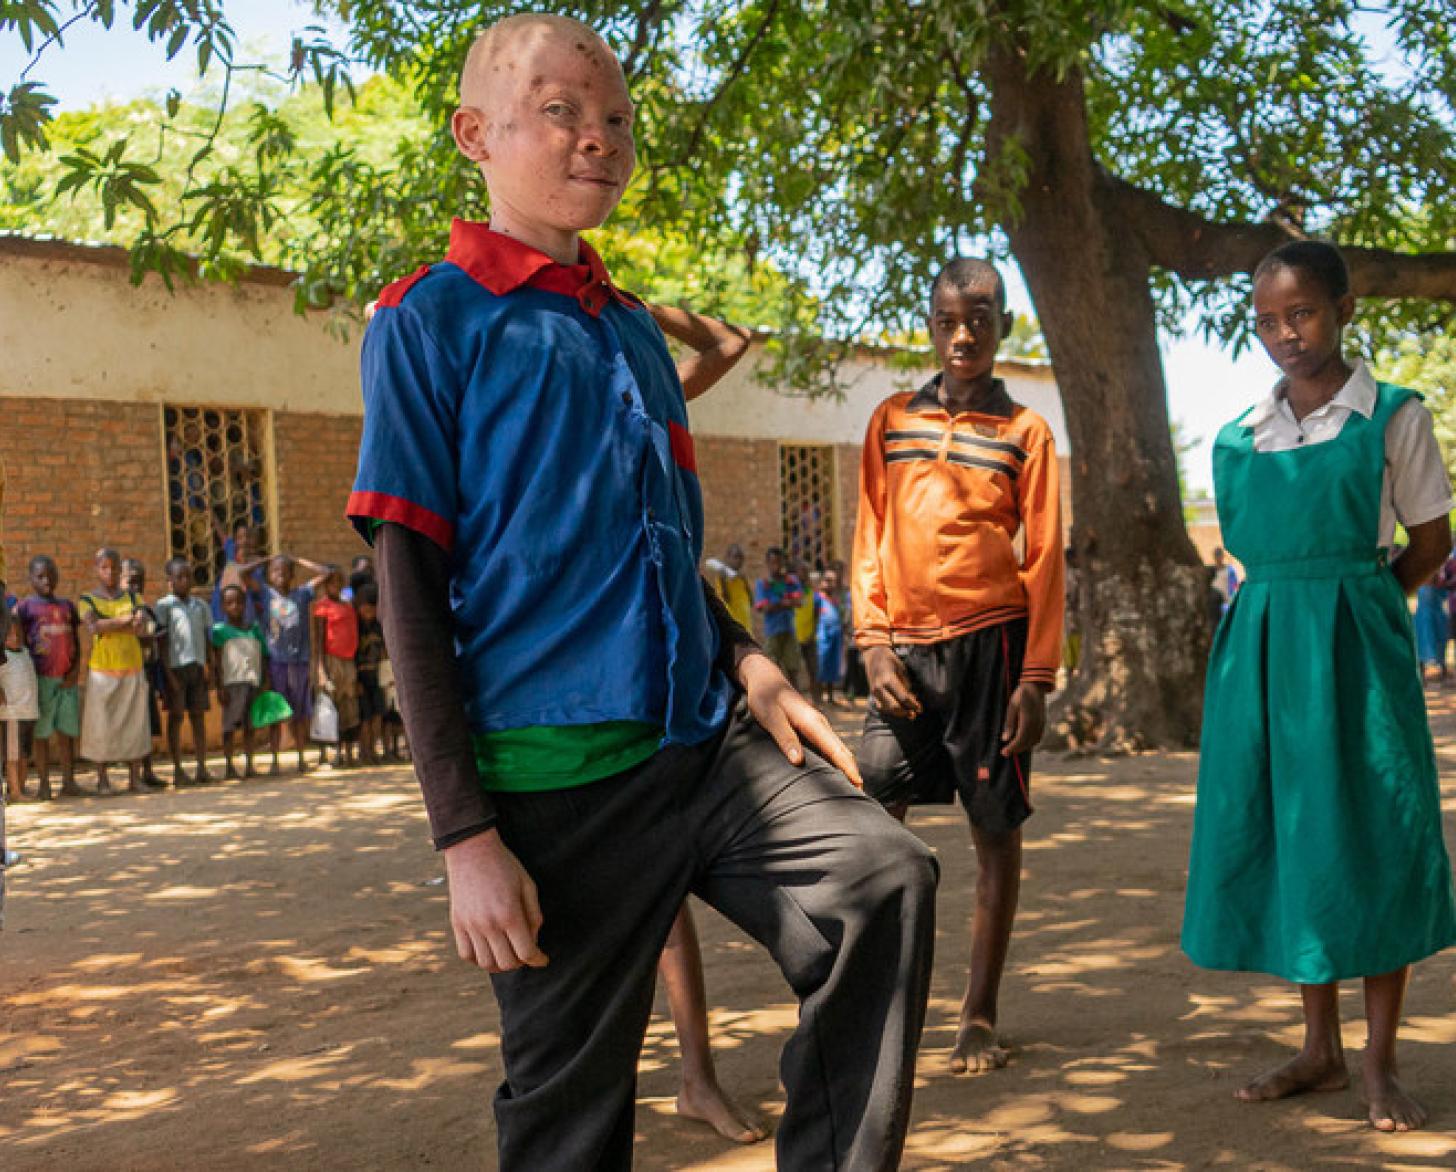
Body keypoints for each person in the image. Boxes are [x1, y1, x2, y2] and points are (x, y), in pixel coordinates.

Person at [346, 15, 937, 1169]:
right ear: (476, 131)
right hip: (552, 782)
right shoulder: (428, 319)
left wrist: (748, 662)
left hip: (701, 748)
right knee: (568, 1110)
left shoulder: (626, 328)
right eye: (559, 111)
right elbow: (406, 581)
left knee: (880, 874)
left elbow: (655, 547)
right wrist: (464, 834)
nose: (595, 139)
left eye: (615, 118)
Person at [1183, 240, 1456, 1134]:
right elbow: (1253, 557)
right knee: (1297, 833)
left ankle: (1376, 1061)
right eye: (1265, 321)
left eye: (1300, 313)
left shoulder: (1393, 417)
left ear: (1342, 308)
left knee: (1372, 832)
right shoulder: (1238, 438)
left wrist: (1362, 599)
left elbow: (1428, 543)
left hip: (1358, 652)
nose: (1284, 335)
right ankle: (1318, 1048)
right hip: (1263, 659)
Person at [853, 256, 1064, 1076]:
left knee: (993, 831)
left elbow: (1044, 558)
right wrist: (871, 642)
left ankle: (978, 1011)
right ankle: (876, 1002)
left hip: (993, 646)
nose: (964, 334)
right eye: (948, 319)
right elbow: (869, 532)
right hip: (902, 648)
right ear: (931, 324)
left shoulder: (1026, 433)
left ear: (1005, 326)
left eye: (981, 318)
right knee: (872, 826)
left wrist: (1036, 680)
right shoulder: (890, 419)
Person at [78, 548, 157, 794]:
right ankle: (102, 780)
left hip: (132, 667)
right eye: (104, 567)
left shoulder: (133, 598)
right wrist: (124, 622)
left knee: (135, 724)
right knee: (101, 724)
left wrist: (109, 625)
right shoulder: (87, 599)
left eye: (114, 568)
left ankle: (134, 778)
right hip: (102, 670)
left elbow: (142, 626)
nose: (110, 572)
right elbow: (92, 627)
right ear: (96, 569)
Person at [15, 556, 82, 800]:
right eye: (40, 576)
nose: (47, 580)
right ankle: (44, 783)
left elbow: (75, 640)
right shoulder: (26, 608)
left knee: (67, 732)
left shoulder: (67, 606)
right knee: (41, 734)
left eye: (51, 574)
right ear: (30, 578)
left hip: (66, 680)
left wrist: (75, 670)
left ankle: (69, 781)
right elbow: (20, 644)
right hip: (40, 680)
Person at [261, 553, 330, 774]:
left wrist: (298, 560)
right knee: (275, 714)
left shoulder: (302, 594)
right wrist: (266, 559)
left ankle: (301, 758)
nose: (280, 574)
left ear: (292, 574)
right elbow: (241, 574)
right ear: (270, 575)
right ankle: (274, 761)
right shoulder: (266, 594)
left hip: (299, 661)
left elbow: (326, 573)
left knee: (300, 713)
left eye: (285, 570)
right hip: (276, 662)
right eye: (275, 571)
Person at [156, 558, 215, 785]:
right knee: (176, 716)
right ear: (170, 581)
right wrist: (169, 674)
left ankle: (201, 767)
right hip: (176, 669)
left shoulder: (200, 606)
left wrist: (211, 665)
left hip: (197, 667)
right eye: (179, 577)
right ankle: (178, 769)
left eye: (188, 576)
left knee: (198, 716)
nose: (185, 581)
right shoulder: (164, 606)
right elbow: (161, 643)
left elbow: (207, 639)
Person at [211, 584, 266, 779]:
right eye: (229, 603)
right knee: (229, 727)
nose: (235, 606)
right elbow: (216, 662)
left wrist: (263, 682)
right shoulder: (219, 631)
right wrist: (219, 686)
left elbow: (262, 655)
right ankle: (229, 766)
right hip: (232, 684)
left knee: (250, 727)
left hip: (252, 682)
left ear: (245, 604)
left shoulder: (254, 629)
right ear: (223, 607)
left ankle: (250, 765)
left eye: (239, 602)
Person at [122, 558, 167, 789]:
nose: (136, 588)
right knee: (132, 725)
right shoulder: (119, 610)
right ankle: (133, 775)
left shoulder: (146, 609)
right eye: (131, 582)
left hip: (146, 672)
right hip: (125, 673)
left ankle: (147, 771)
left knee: (147, 723)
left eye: (140, 582)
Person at [311, 566, 361, 768]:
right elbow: (318, 640)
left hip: (348, 660)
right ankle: (332, 753)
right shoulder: (322, 607)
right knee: (330, 706)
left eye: (340, 582)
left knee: (349, 704)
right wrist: (321, 669)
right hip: (331, 660)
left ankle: (349, 751)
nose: (336, 586)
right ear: (326, 584)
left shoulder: (348, 606)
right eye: (332, 582)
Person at [0, 610, 39, 803]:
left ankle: (20, 787)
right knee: (12, 756)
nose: (14, 638)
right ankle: (15, 792)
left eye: (18, 634)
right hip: (12, 714)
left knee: (24, 754)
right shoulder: (3, 657)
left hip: (29, 712)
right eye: (9, 635)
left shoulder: (25, 653)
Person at [752, 547, 804, 685]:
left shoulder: (791, 581)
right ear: (767, 563)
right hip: (772, 631)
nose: (776, 566)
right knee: (772, 668)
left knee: (793, 669)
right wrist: (786, 602)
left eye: (779, 562)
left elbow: (799, 602)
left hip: (789, 630)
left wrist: (776, 604)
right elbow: (763, 607)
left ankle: (795, 701)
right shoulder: (763, 583)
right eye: (773, 562)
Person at [352, 582, 387, 766]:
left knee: (377, 715)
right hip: (360, 676)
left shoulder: (379, 626)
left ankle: (374, 750)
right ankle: (363, 751)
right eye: (365, 606)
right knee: (364, 717)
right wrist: (355, 680)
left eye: (372, 607)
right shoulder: (354, 627)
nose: (368, 610)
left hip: (377, 675)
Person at [704, 544, 754, 635]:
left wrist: (745, 581)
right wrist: (723, 580)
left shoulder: (741, 578)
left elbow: (751, 600)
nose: (739, 561)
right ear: (727, 558)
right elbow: (726, 598)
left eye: (741, 558)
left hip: (745, 623)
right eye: (736, 557)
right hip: (732, 623)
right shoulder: (722, 577)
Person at [814, 568, 846, 705]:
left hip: (836, 636)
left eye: (833, 581)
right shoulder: (817, 598)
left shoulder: (835, 600)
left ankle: (831, 696)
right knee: (821, 665)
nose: (831, 584)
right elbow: (813, 616)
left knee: (833, 666)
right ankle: (819, 697)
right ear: (821, 582)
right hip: (823, 637)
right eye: (828, 581)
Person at [792, 562, 820, 703]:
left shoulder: (811, 592)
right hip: (794, 636)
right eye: (801, 571)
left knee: (813, 669)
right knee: (794, 671)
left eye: (806, 571)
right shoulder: (791, 590)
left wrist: (813, 633)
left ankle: (817, 700)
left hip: (809, 637)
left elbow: (816, 614)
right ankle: (797, 702)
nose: (804, 574)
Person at [1210, 547, 1240, 613]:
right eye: (1216, 555)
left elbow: (1233, 587)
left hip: (1225, 603)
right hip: (1213, 603)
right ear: (1214, 556)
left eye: (1219, 555)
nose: (1218, 557)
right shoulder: (1210, 570)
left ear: (1222, 556)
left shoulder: (1230, 570)